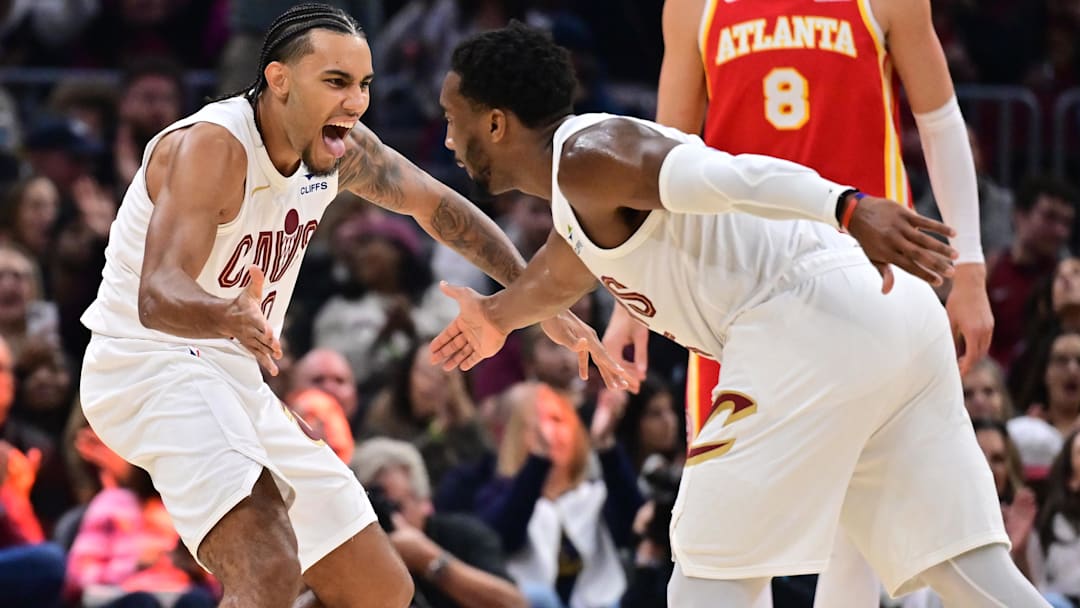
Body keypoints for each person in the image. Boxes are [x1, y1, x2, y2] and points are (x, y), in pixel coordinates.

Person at [428, 23, 1048, 607]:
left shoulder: (595, 153)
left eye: (454, 123)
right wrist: (495, 315)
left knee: (706, 564)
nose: (449, 139)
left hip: (808, 313)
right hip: (892, 316)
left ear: (497, 123)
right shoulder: (577, 193)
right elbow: (556, 273)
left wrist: (849, 206)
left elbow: (731, 173)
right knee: (966, 565)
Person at [77, 5, 618, 608]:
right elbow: (157, 297)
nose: (356, 101)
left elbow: (438, 208)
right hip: (149, 364)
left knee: (379, 589)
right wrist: (227, 315)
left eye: (363, 84)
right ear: (279, 80)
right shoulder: (213, 148)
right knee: (269, 566)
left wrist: (529, 300)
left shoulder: (342, 150)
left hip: (229, 375)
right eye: (335, 82)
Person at [608, 1, 997, 602]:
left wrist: (969, 268)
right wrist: (627, 301)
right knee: (729, 529)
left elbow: (941, 121)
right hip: (738, 298)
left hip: (866, 281)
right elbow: (663, 156)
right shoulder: (692, 7)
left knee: (860, 522)